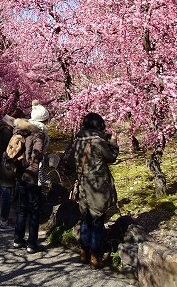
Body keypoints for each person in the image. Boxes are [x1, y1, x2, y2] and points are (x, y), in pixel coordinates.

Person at [72, 112, 119, 269]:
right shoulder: (98, 142)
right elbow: (111, 157)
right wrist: (113, 142)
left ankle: (84, 252)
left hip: (84, 186)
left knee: (85, 220)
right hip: (97, 188)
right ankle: (95, 256)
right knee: (97, 222)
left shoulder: (78, 140)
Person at [12, 118, 46, 254]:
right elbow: (36, 156)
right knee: (34, 210)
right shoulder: (37, 135)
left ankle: (18, 239)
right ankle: (32, 243)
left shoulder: (20, 133)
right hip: (31, 176)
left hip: (20, 175)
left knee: (22, 208)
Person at [0, 108, 26, 232]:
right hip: (8, 167)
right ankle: (4, 222)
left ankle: (4, 219)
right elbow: (11, 152)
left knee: (6, 193)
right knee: (6, 195)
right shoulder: (7, 133)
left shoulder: (2, 130)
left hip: (3, 166)